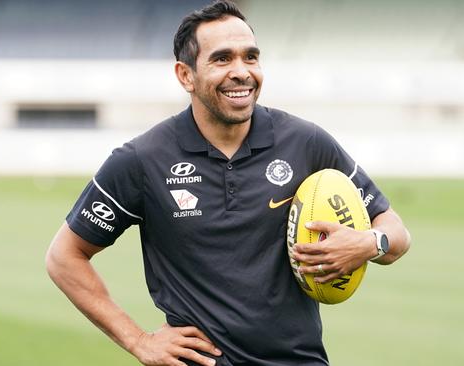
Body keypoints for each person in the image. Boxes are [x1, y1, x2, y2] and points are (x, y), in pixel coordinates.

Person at [45, 1, 411, 365]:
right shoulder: (142, 159)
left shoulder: (306, 143)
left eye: (250, 57)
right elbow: (65, 257)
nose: (242, 72)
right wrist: (139, 341)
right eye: (222, 59)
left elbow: (395, 234)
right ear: (185, 75)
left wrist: (367, 243)